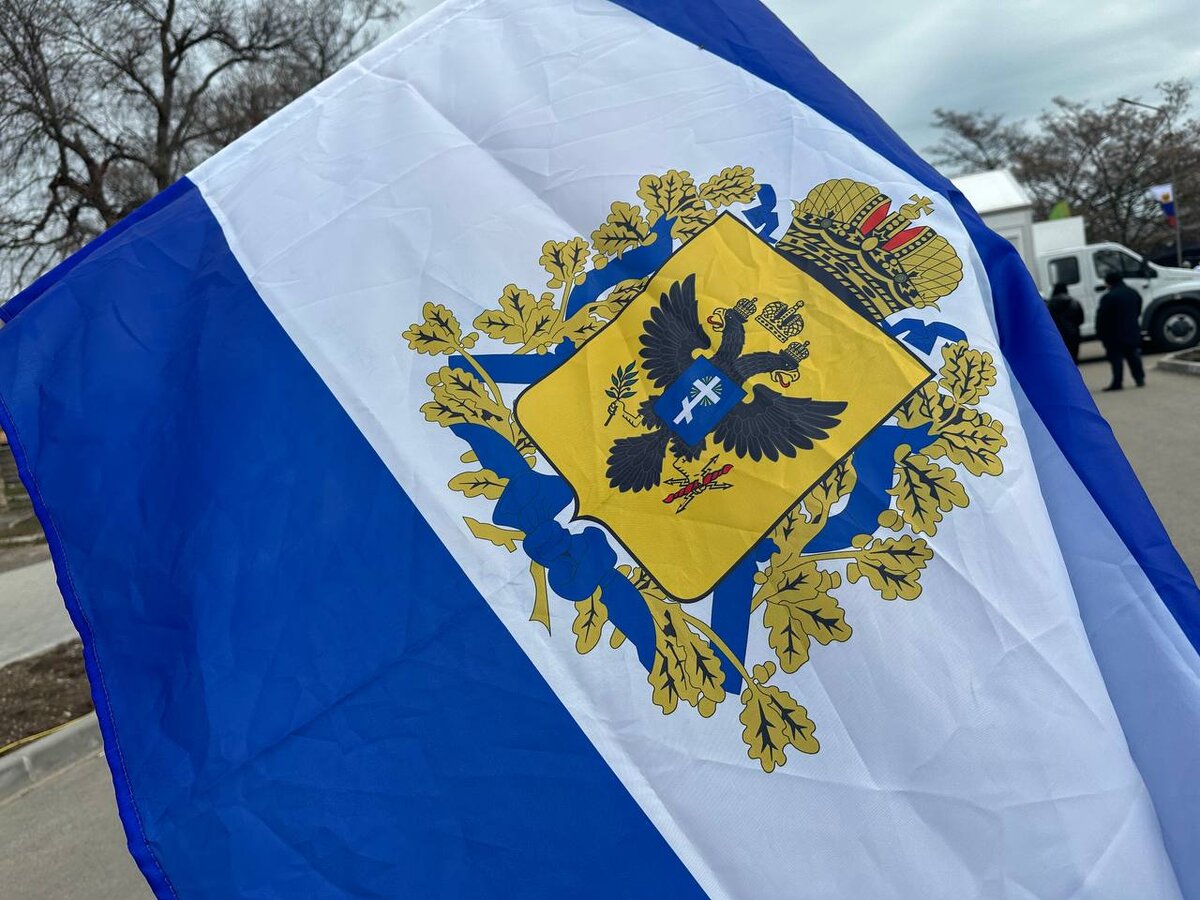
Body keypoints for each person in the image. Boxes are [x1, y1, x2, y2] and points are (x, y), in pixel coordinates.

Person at [1095, 271, 1145, 391]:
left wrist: (1100, 332)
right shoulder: (1133, 293)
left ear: (1109, 282)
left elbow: (1102, 317)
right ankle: (1139, 379)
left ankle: (1117, 382)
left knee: (1116, 359)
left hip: (1113, 333)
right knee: (1133, 355)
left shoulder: (1108, 297)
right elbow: (1138, 309)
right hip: (1132, 330)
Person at [1046, 282, 1084, 362]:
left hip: (1057, 336)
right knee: (1073, 359)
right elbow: (1081, 320)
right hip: (1073, 335)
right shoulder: (1074, 302)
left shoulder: (1049, 305)